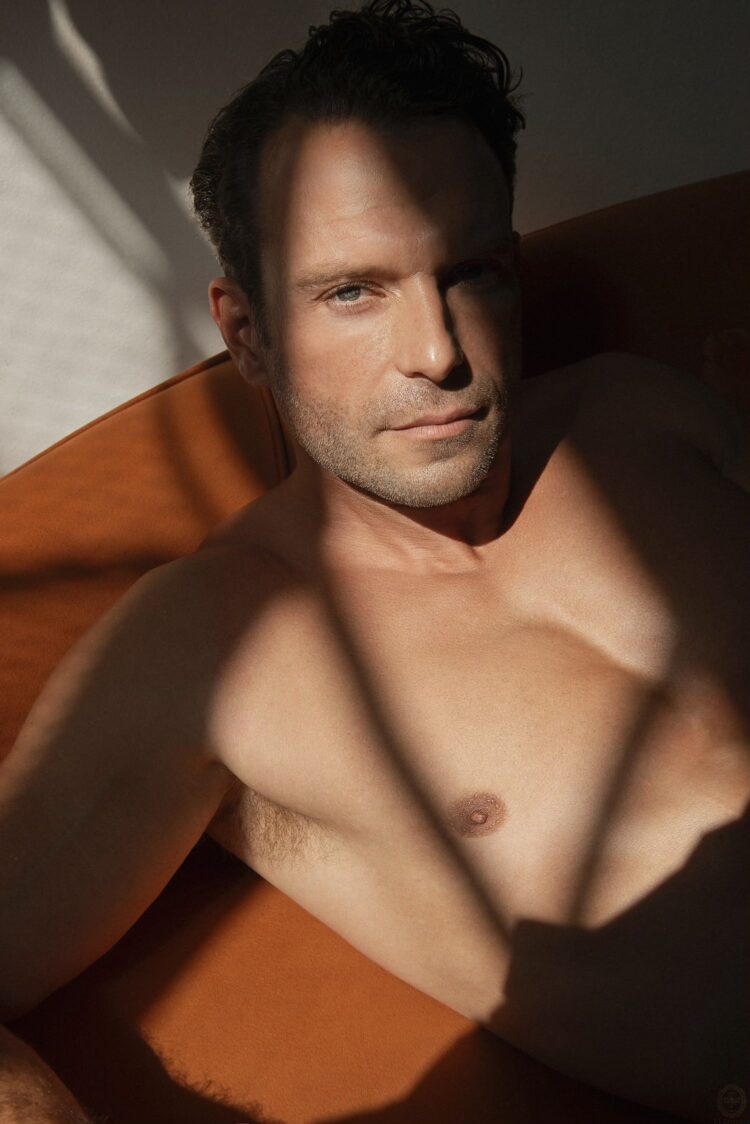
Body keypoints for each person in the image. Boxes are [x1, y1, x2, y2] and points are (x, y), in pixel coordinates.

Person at [1, 1, 749, 1121]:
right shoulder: (210, 640)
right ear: (247, 333)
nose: (438, 352)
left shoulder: (644, 413)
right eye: (353, 291)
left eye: (471, 272)